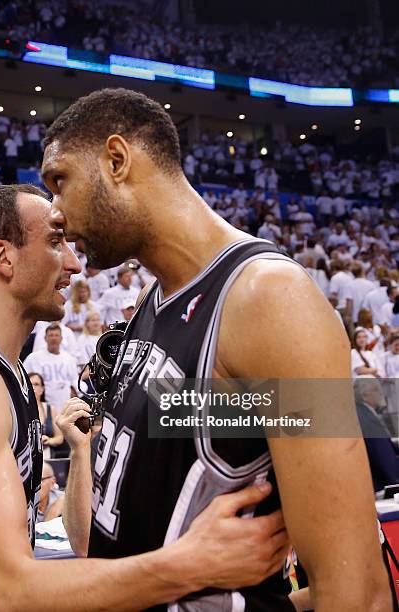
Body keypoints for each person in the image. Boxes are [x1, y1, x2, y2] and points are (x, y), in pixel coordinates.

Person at [42, 88, 390, 611]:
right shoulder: (153, 301)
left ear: (117, 160)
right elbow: (217, 433)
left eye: (59, 181)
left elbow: (357, 591)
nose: (55, 213)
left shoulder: (270, 301)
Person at [0, 183, 290, 608]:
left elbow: (73, 547)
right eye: (55, 242)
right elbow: (8, 591)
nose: (74, 264)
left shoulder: (9, 372)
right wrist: (191, 564)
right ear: (3, 256)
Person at [23, 323, 79, 411]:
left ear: (61, 339)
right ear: (45, 338)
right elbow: (23, 379)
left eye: (56, 335)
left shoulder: (69, 359)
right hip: (43, 408)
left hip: (64, 406)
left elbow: (75, 381)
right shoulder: (33, 358)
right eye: (51, 335)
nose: (54, 338)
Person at [28, 372, 64, 459]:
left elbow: (60, 437)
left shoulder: (51, 409)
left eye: (36, 384)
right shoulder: (20, 408)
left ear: (42, 389)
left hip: (47, 455)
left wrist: (49, 440)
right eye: (30, 384)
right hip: (27, 456)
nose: (33, 387)